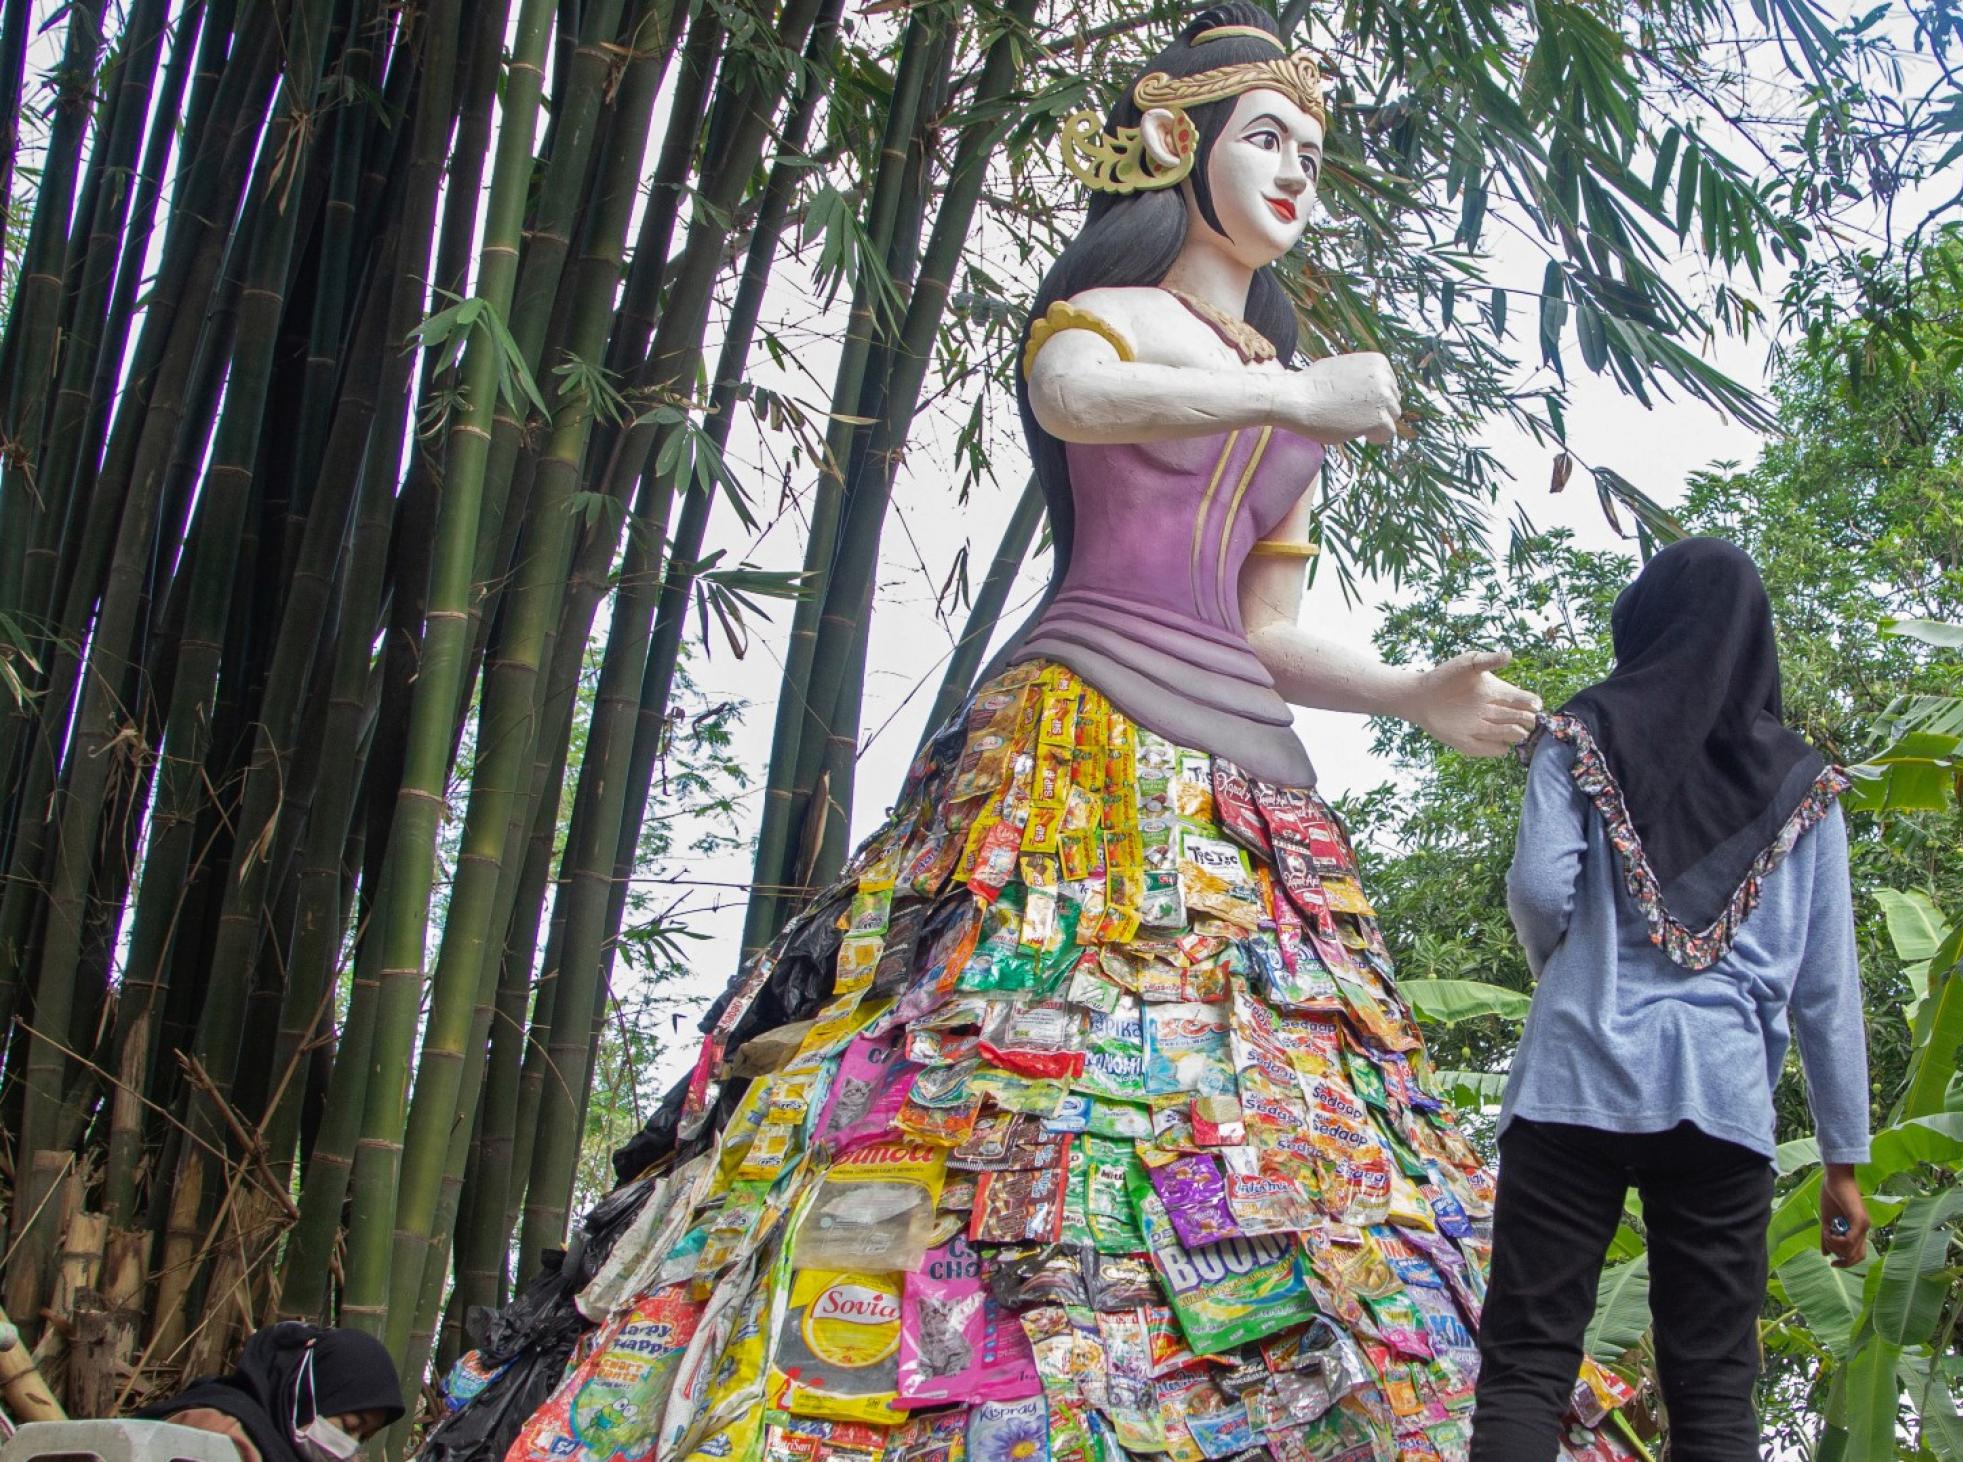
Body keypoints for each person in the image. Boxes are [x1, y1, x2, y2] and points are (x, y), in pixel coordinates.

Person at [497, 8, 1546, 1458]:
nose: (1300, 176)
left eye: (1314, 151)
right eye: (1267, 140)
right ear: (1178, 144)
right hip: (1072, 732)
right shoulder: (1120, 326)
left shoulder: (1289, 394)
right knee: (959, 1044)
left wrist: (1412, 691)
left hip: (1241, 767)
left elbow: (1262, 626)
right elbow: (1077, 394)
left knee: (1240, 1087)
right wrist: (1289, 388)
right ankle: (866, 1371)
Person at [1473, 537, 1872, 1462]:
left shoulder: (1579, 733)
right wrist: (1844, 1156)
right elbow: (1825, 987)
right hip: (1721, 1099)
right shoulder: (1804, 788)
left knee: (1529, 1363)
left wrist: (1566, 972)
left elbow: (1538, 888)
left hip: (1574, 1074)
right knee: (1714, 1391)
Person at [141, 1323, 403, 1462]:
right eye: (348, 1426)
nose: (348, 1446)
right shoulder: (218, 1430)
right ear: (305, 1395)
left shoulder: (278, 1445)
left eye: (362, 1438)